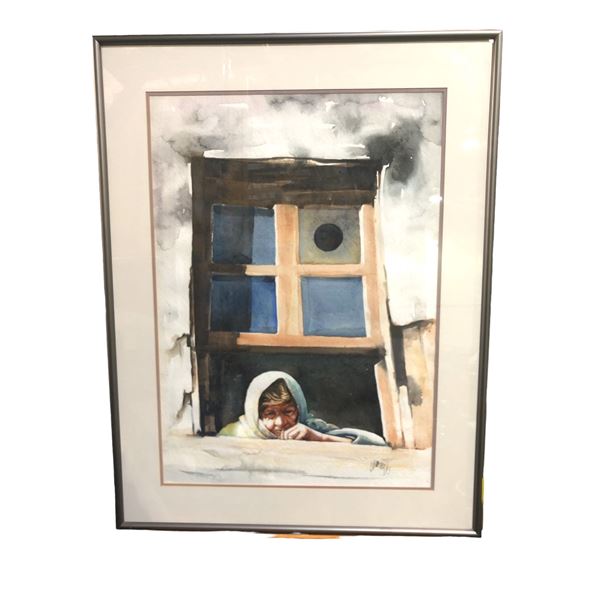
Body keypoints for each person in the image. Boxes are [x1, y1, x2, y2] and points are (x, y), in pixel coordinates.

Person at [218, 370, 387, 446]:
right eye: (270, 414)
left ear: (300, 409)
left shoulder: (310, 428)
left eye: (288, 411)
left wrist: (318, 437)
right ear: (255, 414)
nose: (281, 422)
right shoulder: (233, 435)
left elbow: (375, 445)